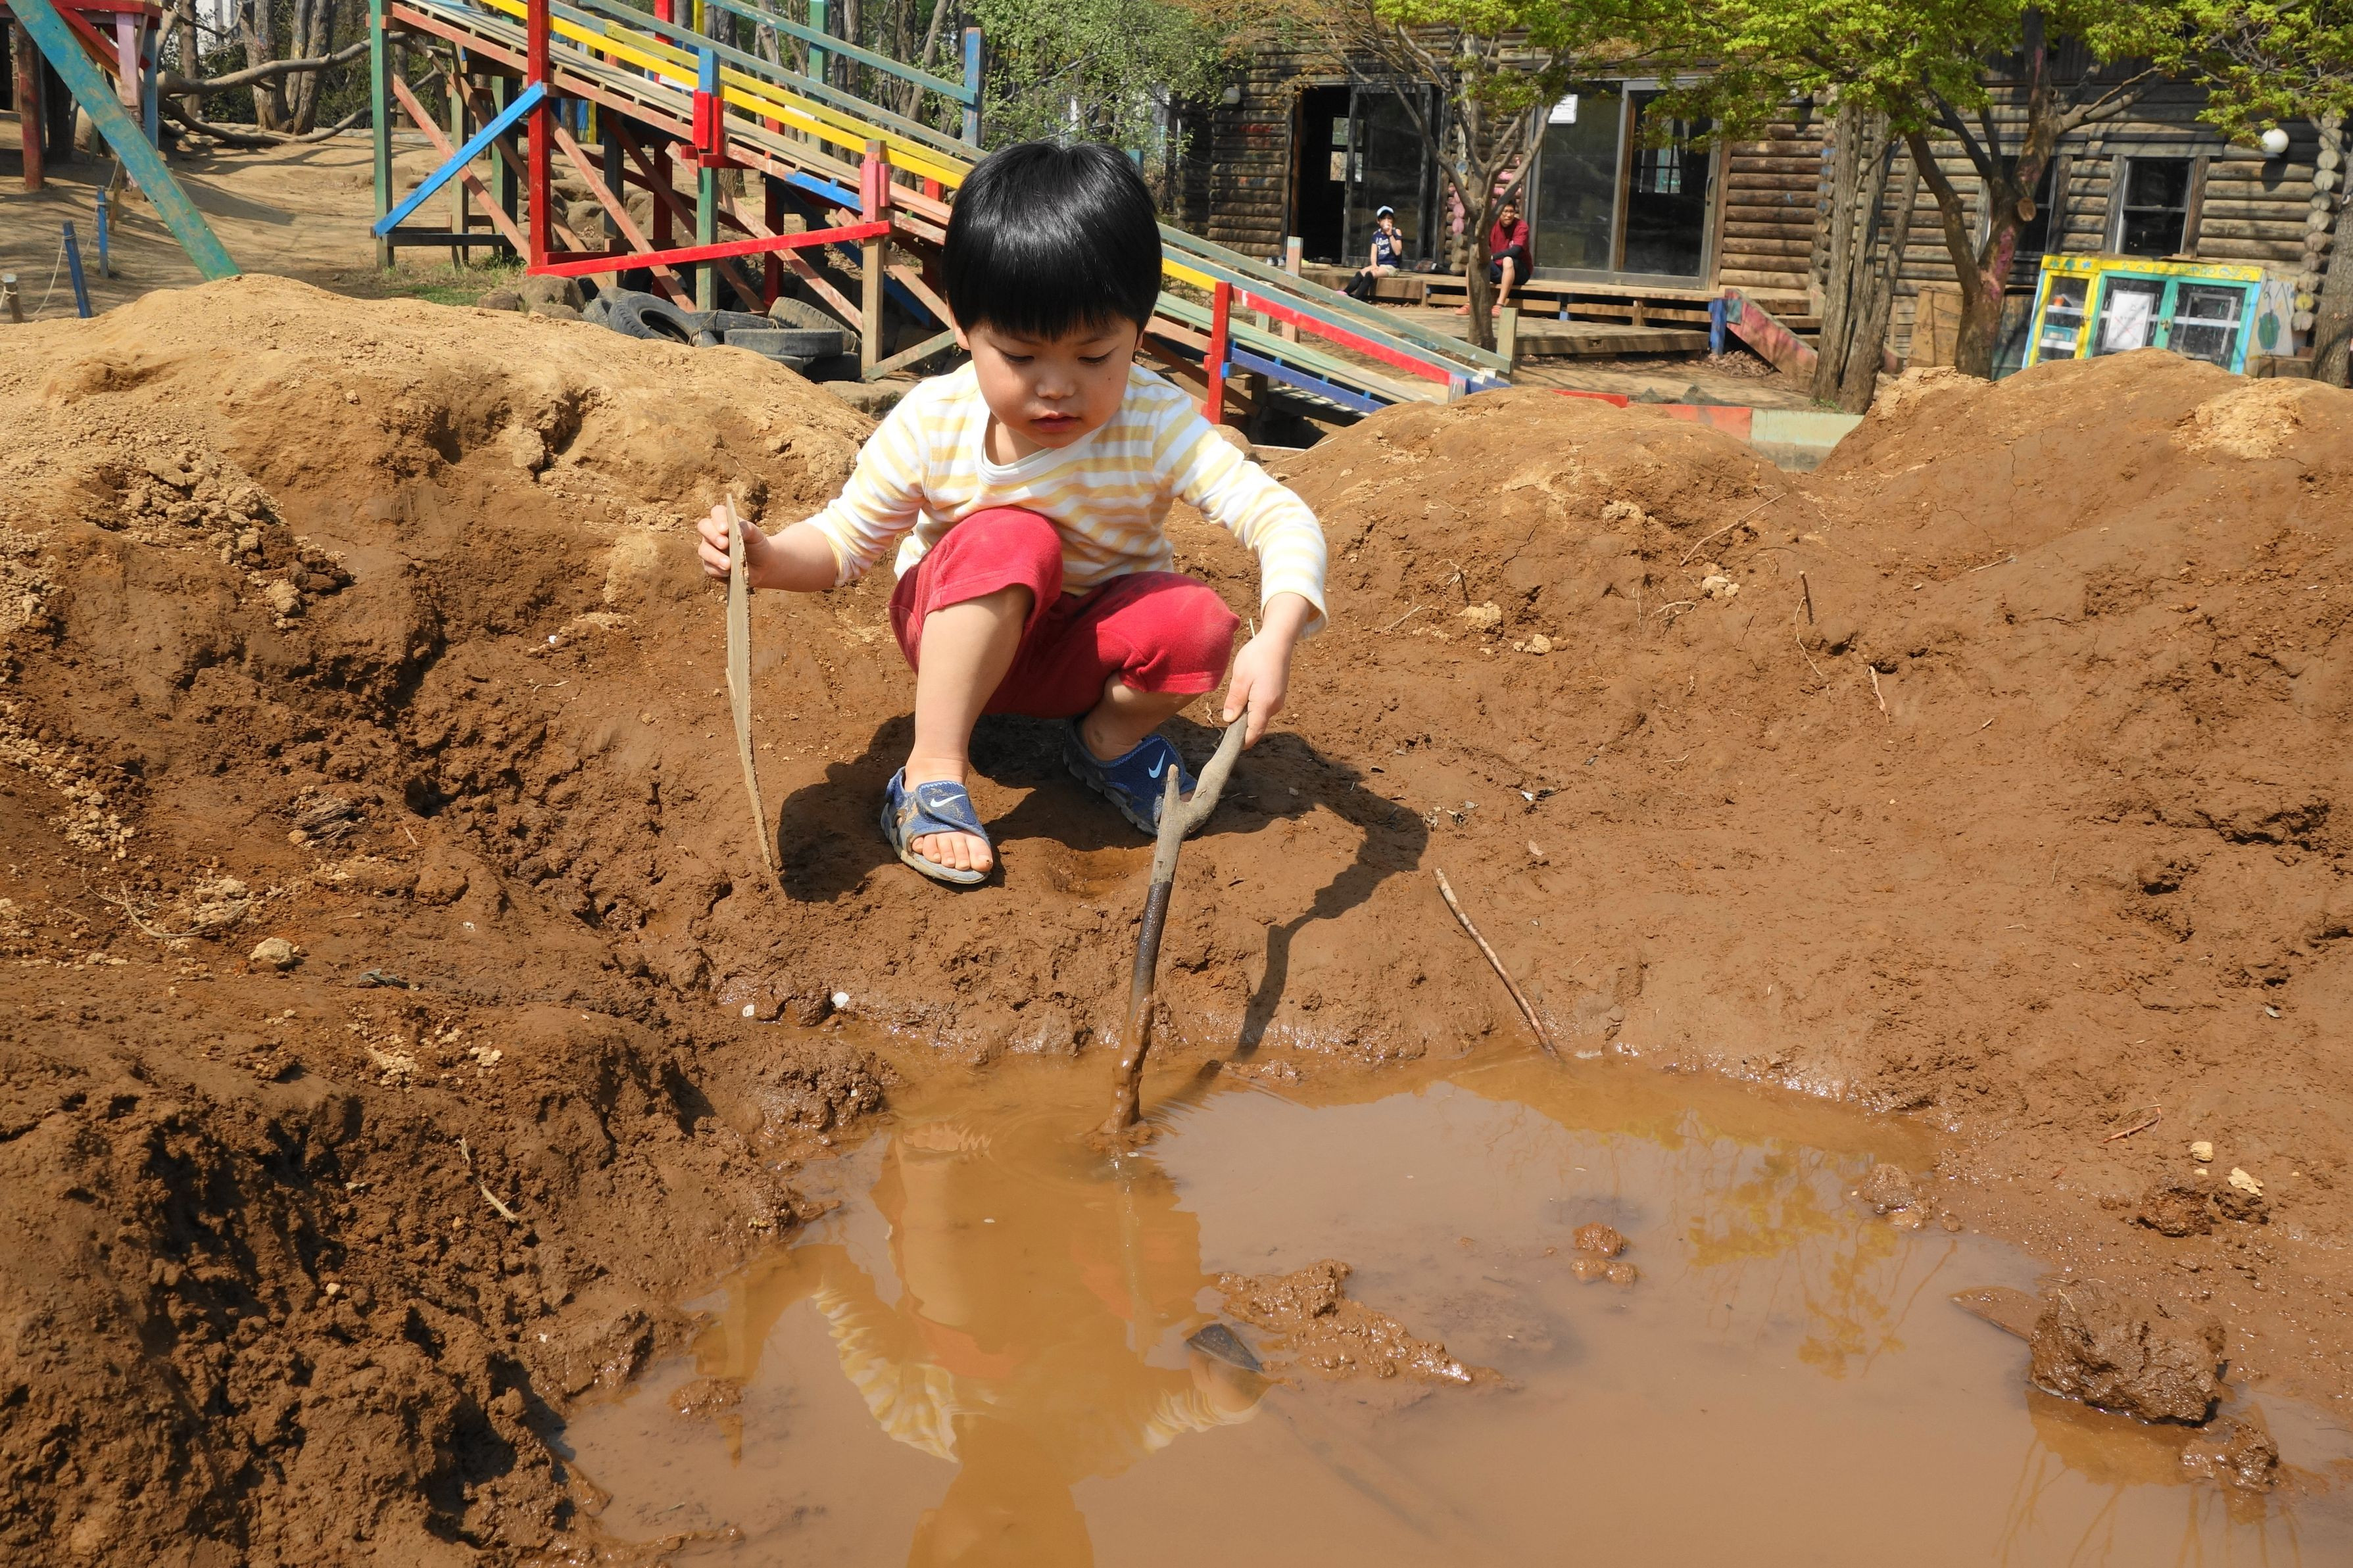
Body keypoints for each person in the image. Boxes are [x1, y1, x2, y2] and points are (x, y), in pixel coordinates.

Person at [696, 141, 1328, 887]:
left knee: (1199, 623)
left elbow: (1280, 517)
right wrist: (769, 560)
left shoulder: (1156, 423)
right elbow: (843, 540)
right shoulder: (935, 420)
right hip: (954, 634)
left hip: (1081, 659)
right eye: (1022, 358)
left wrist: (1276, 635)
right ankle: (931, 770)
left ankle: (1108, 742)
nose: (1056, 387)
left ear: (1139, 329)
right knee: (1013, 537)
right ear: (965, 327)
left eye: (1094, 357)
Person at [1456, 195, 1531, 315]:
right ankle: (1471, 304)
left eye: (1512, 212)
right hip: (1498, 270)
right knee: (1473, 263)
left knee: (1508, 260)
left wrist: (1493, 257)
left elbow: (1516, 251)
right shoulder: (1491, 226)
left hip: (1519, 272)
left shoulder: (1521, 226)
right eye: (1505, 211)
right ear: (1499, 213)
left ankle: (1499, 305)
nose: (1509, 215)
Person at [1343, 204, 1404, 300]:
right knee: (1360, 273)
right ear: (1378, 221)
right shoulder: (1376, 234)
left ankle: (1357, 298)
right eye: (1383, 219)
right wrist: (1374, 264)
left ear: (1393, 221)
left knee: (1370, 274)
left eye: (1389, 219)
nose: (1387, 221)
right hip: (1380, 265)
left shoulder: (1396, 232)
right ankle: (1345, 292)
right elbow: (1374, 253)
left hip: (1391, 267)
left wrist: (1390, 235)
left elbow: (1397, 252)